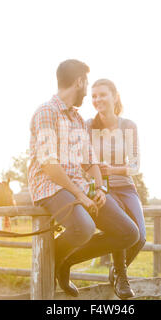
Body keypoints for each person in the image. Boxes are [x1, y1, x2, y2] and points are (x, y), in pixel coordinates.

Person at [27, 60, 140, 297]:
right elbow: (49, 165)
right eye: (86, 83)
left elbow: (90, 163)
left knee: (129, 233)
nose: (87, 91)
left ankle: (64, 262)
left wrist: (99, 189)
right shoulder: (46, 112)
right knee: (84, 227)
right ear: (79, 81)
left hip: (80, 186)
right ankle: (51, 261)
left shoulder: (77, 120)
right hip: (51, 185)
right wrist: (80, 195)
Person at [86, 79, 146, 299]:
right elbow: (80, 157)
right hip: (101, 188)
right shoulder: (88, 126)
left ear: (115, 96)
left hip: (126, 186)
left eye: (102, 95)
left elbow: (136, 165)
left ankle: (116, 269)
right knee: (120, 229)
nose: (97, 100)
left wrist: (113, 169)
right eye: (94, 96)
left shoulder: (128, 126)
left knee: (140, 237)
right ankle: (121, 276)